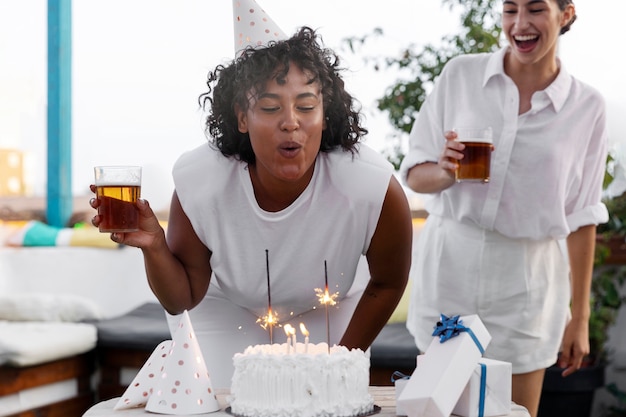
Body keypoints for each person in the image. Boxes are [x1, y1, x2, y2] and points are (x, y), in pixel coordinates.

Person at [90, 26, 412, 388]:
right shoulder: (201, 181)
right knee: (225, 400)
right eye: (270, 107)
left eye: (306, 106)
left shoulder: (370, 184)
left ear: (325, 114)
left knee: (328, 398)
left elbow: (388, 282)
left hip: (332, 307)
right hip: (225, 305)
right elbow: (182, 297)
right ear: (242, 117)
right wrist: (154, 246)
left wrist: (338, 363)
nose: (291, 122)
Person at [398, 1, 607, 416]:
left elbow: (582, 218)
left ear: (565, 14)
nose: (520, 24)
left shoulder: (588, 108)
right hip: (451, 271)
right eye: (510, 10)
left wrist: (579, 318)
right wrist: (445, 172)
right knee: (434, 409)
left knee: (514, 414)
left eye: (535, 9)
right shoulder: (460, 75)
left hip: (527, 284)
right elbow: (415, 174)